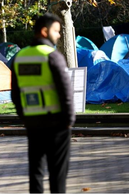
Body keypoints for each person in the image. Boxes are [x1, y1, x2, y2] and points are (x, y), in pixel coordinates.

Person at [11, 13, 76, 193]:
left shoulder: (19, 57)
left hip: (33, 123)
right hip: (57, 124)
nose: (59, 35)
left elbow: (15, 94)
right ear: (44, 31)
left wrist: (24, 118)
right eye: (56, 31)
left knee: (36, 172)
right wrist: (69, 120)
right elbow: (66, 92)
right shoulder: (52, 56)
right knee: (58, 174)